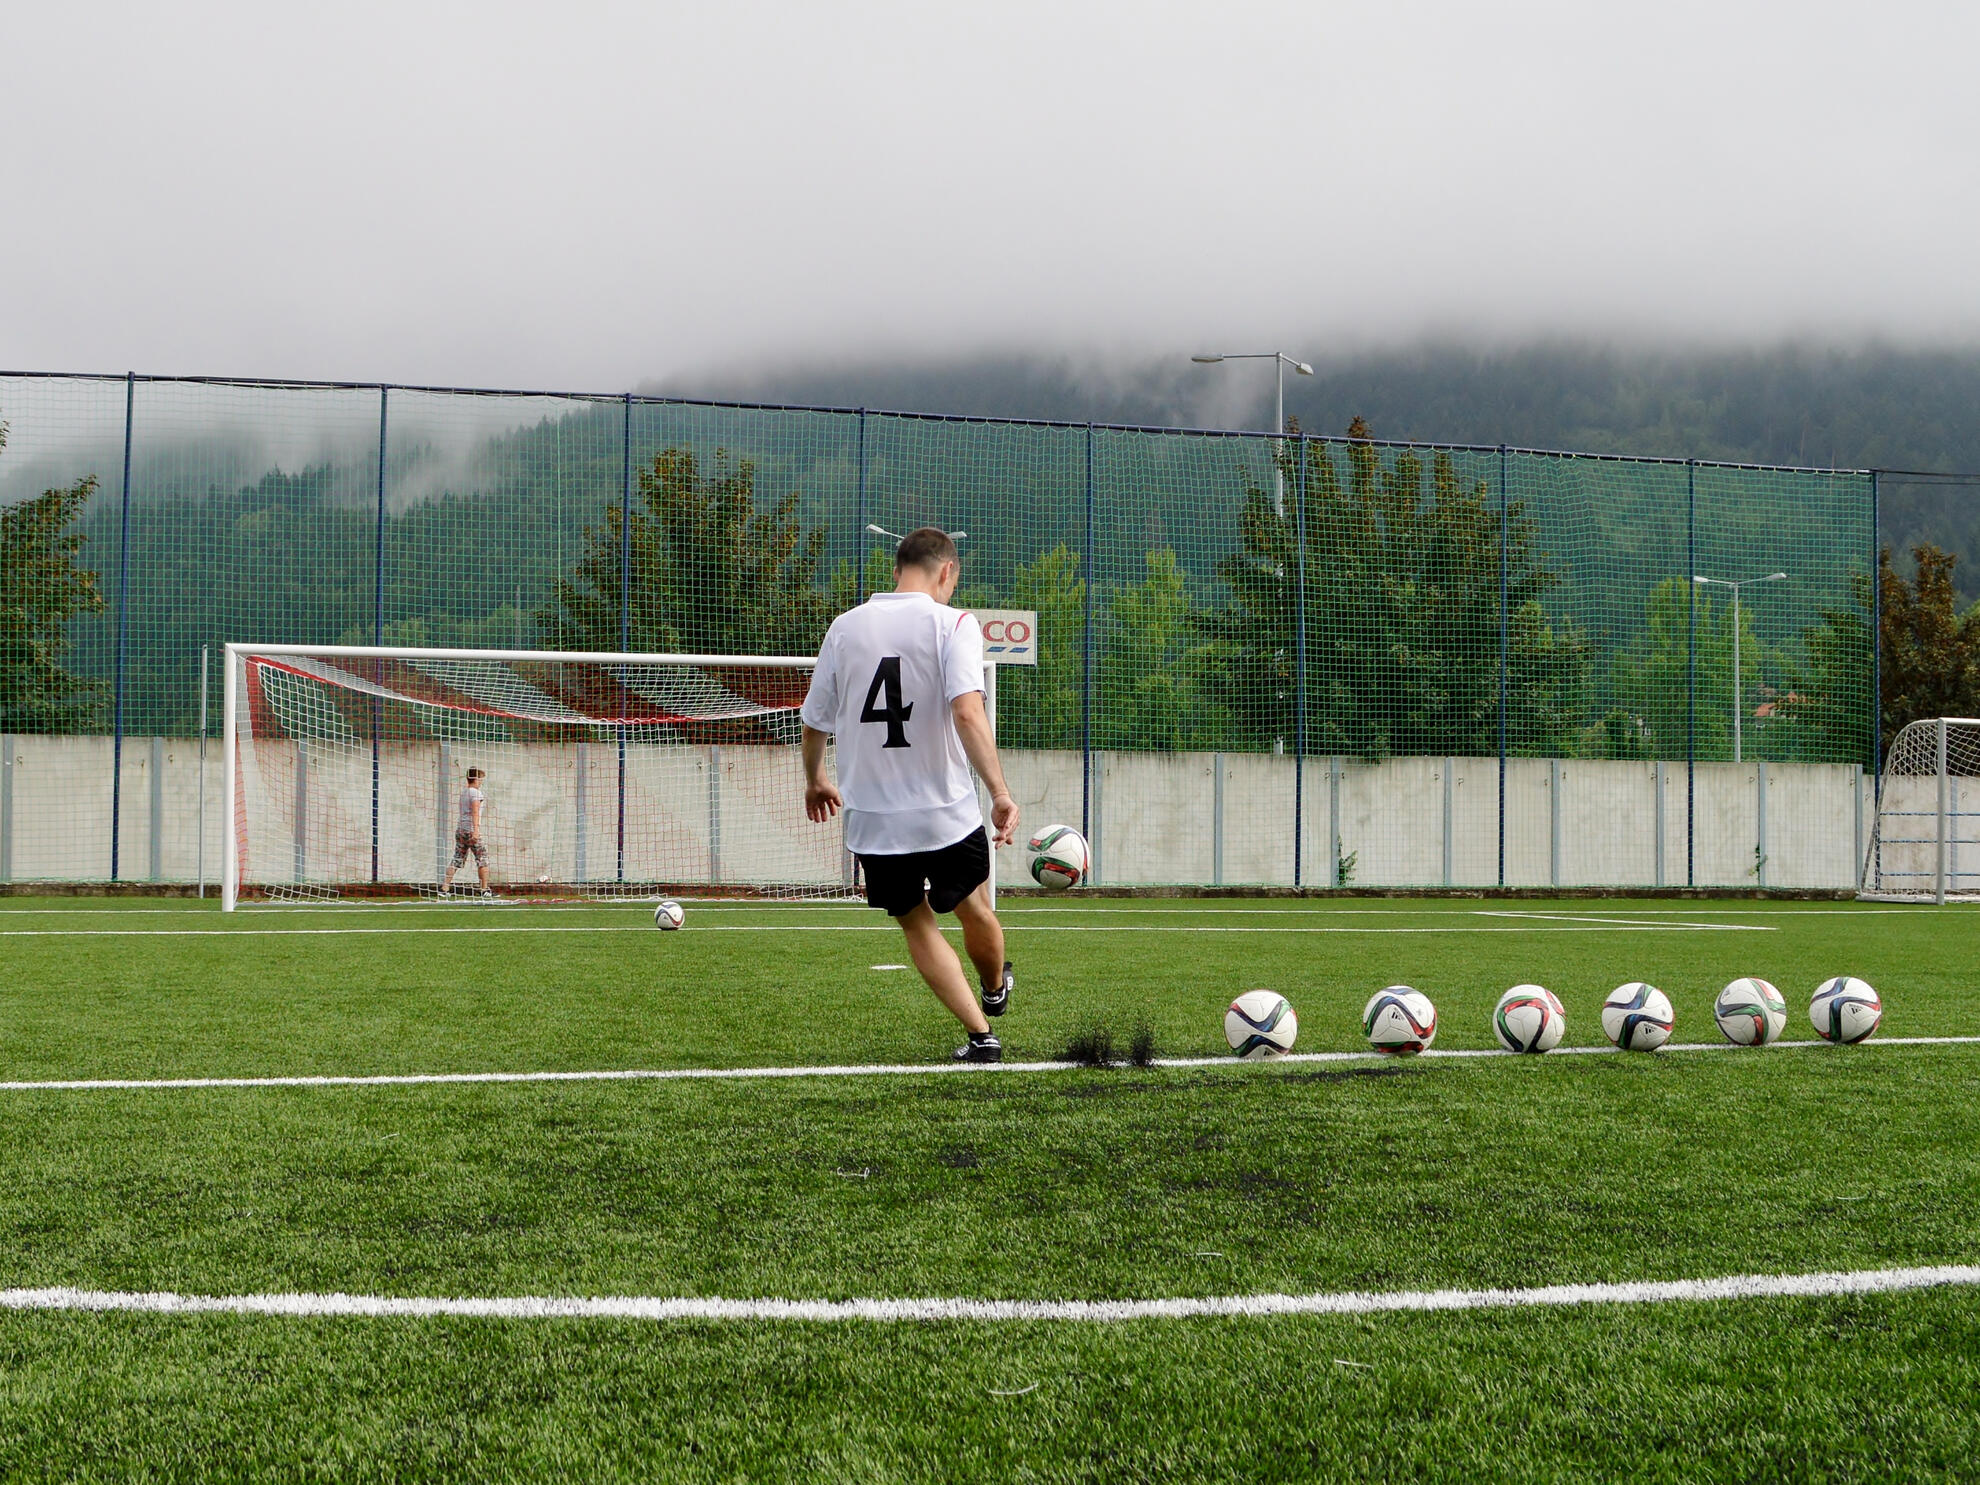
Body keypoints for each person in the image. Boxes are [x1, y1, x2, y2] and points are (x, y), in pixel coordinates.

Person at [800, 527, 1019, 1061]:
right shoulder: (955, 624)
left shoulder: (845, 628)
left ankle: (981, 1038)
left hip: (874, 817)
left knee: (916, 922)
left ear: (897, 571)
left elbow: (814, 720)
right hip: (945, 810)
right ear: (947, 572)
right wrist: (1000, 792)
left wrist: (815, 779)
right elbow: (968, 712)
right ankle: (994, 989)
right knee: (974, 908)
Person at [442, 766, 493, 897]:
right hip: (470, 830)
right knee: (483, 859)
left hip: (461, 830)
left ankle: (444, 888)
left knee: (457, 858)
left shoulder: (464, 792)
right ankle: (484, 889)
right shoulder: (476, 793)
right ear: (475, 779)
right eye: (480, 779)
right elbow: (475, 811)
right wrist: (476, 830)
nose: (481, 782)